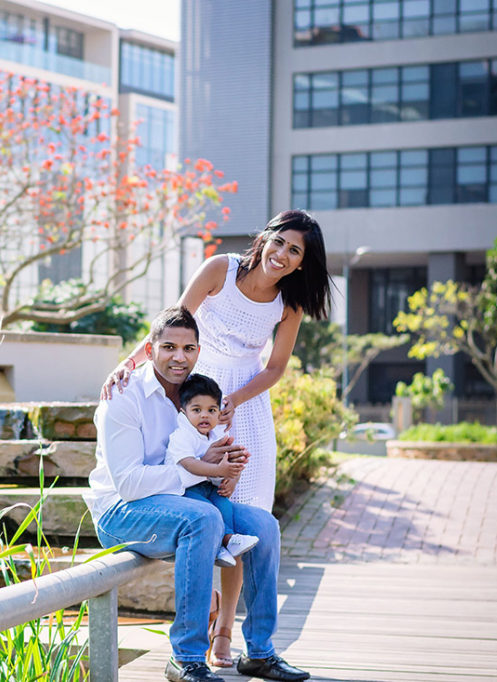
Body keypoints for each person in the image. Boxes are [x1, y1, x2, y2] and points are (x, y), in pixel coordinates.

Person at [102, 209, 332, 668]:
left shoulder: (289, 303)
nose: (283, 255)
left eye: (295, 251)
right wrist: (127, 365)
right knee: (203, 510)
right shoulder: (219, 270)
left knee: (251, 524)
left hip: (243, 402)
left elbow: (275, 367)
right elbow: (172, 329)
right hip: (198, 388)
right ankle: (198, 631)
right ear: (265, 237)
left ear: (303, 262)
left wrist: (236, 400)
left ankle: (231, 634)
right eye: (280, 242)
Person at [85, 306, 310, 682]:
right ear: (150, 349)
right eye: (169, 347)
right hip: (121, 511)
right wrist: (198, 468)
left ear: (198, 352)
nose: (179, 357)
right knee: (204, 520)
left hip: (187, 501)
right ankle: (186, 658)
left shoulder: (200, 395)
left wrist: (226, 470)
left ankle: (259, 652)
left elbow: (213, 454)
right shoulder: (123, 395)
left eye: (188, 348)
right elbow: (128, 484)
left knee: (264, 526)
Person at [166, 373, 259, 569]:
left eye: (211, 410)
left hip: (207, 487)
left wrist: (232, 479)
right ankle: (220, 544)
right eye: (196, 410)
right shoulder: (182, 435)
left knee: (223, 503)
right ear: (183, 412)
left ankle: (227, 542)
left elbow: (231, 461)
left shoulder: (217, 435)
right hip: (183, 491)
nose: (204, 415)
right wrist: (218, 470)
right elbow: (189, 464)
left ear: (219, 413)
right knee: (208, 511)